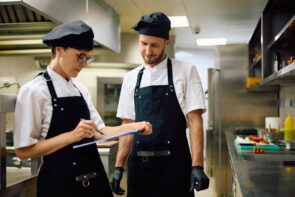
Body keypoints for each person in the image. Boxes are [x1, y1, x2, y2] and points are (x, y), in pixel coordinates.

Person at [13, 20, 152, 197]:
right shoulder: (34, 91)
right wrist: (73, 136)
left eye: (88, 58)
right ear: (59, 50)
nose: (84, 64)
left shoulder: (80, 89)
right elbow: (23, 151)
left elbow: (99, 132)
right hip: (59, 185)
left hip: (93, 182)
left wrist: (133, 127)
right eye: (80, 56)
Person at [110, 12, 209, 197]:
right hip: (140, 169)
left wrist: (197, 165)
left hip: (175, 168)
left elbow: (195, 120)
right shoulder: (131, 78)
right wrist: (118, 168)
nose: (148, 51)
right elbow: (127, 126)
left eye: (154, 45)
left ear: (166, 42)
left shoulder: (186, 70)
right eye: (143, 44)